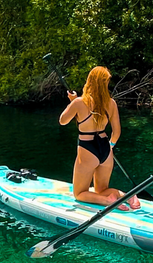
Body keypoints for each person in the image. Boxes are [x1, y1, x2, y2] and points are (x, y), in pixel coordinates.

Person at [59, 66, 138, 209]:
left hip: (87, 147)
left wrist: (72, 102)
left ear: (89, 81)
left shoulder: (79, 102)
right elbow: (117, 132)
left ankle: (108, 201)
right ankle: (129, 196)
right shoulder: (111, 103)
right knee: (101, 190)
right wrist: (111, 147)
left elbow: (62, 121)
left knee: (79, 193)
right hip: (105, 148)